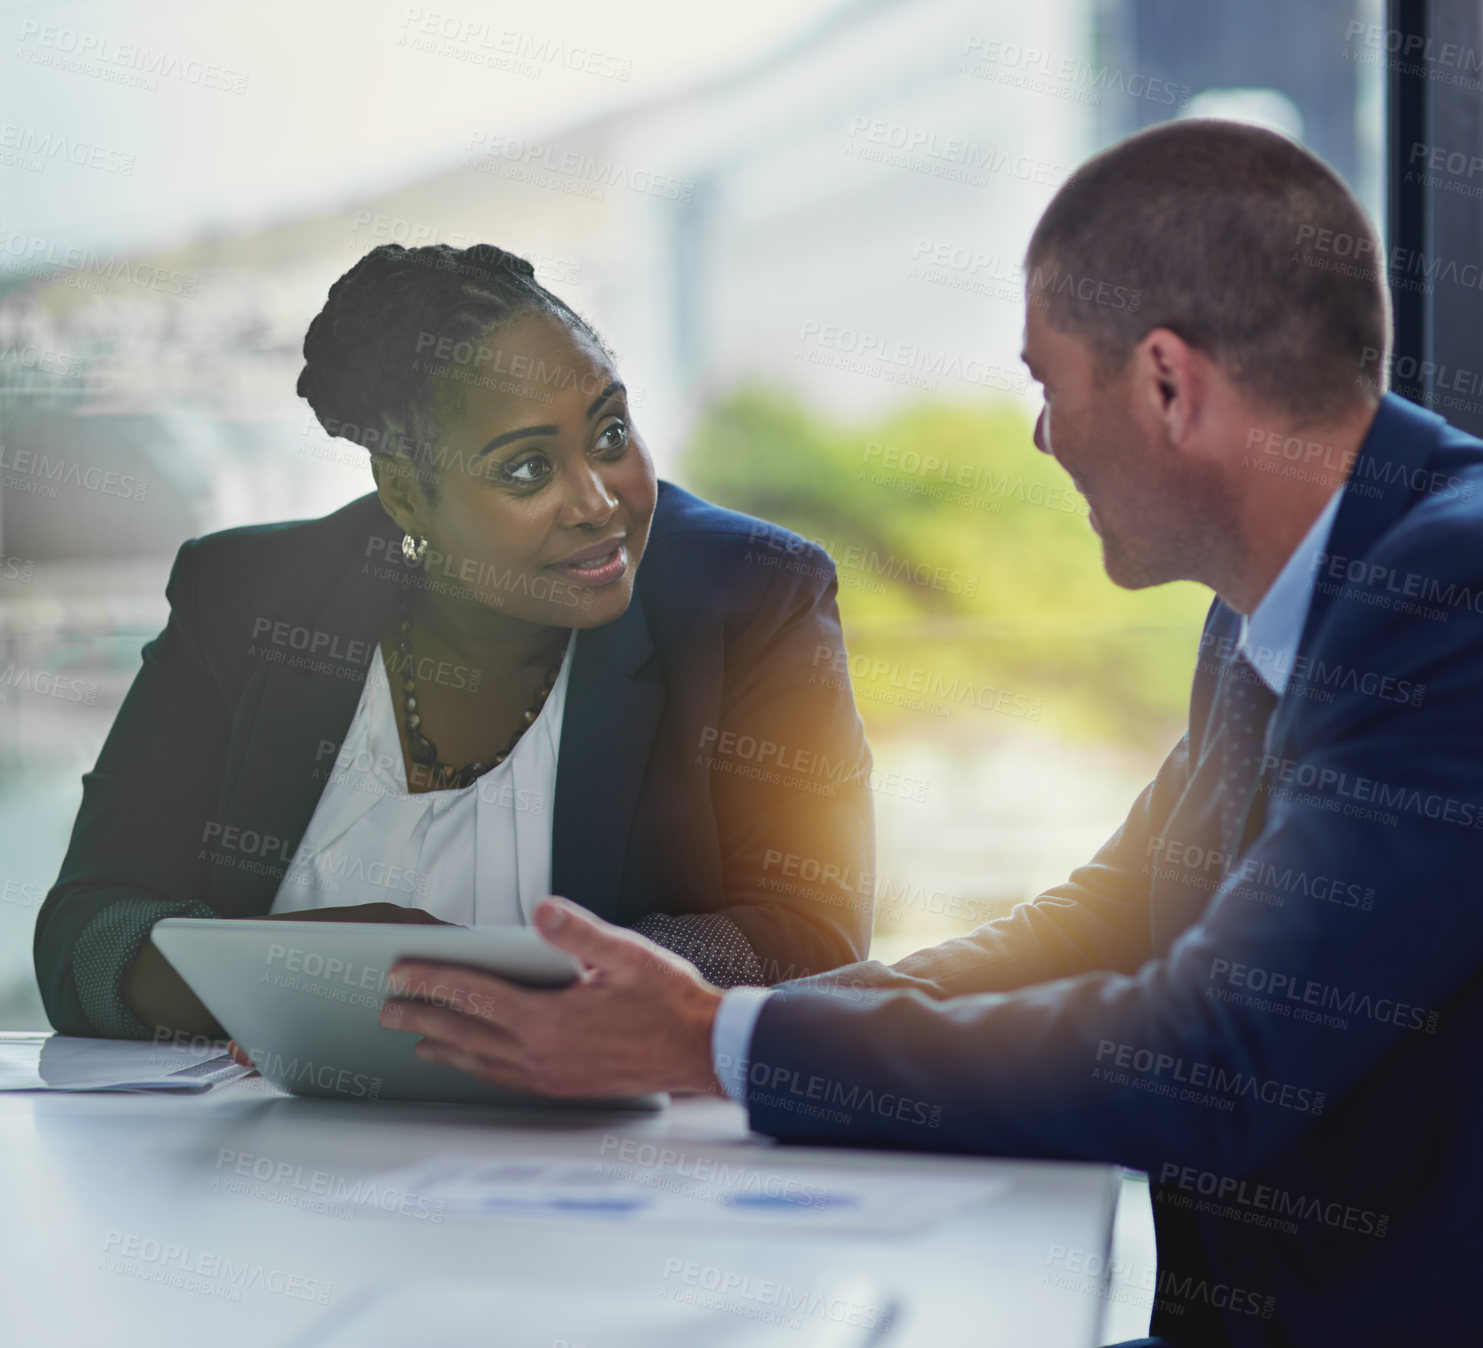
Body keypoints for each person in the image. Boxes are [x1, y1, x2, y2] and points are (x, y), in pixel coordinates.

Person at [371, 123, 1483, 1347]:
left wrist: (719, 1041)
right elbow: (1095, 925)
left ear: (1169, 384)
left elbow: (1220, 1058)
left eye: (1049, 384)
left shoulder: (1445, 596)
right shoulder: (1281, 598)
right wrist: (690, 1031)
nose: (1043, 436)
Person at [34, 242, 874, 1043]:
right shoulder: (248, 598)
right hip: (259, 1148)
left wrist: (480, 987)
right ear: (404, 494)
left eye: (610, 434)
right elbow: (88, 934)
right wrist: (304, 974)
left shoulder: (751, 592)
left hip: (598, 1153)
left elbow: (811, 932)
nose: (597, 502)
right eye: (525, 469)